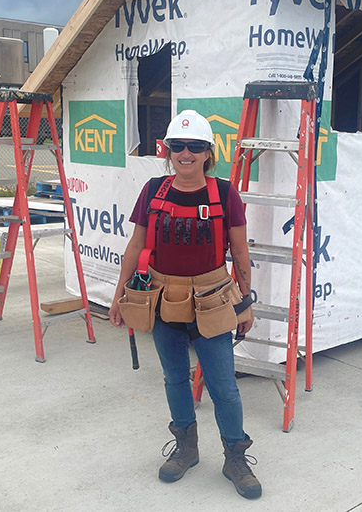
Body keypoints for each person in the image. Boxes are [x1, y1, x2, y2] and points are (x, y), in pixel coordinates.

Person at [109, 109, 261, 499]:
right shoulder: (153, 191)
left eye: (195, 147)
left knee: (224, 385)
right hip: (164, 300)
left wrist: (244, 305)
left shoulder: (225, 193)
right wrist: (119, 295)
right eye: (178, 146)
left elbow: (240, 256)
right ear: (168, 150)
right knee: (175, 378)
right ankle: (187, 447)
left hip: (212, 299)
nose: (186, 153)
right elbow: (135, 247)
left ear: (208, 153)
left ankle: (235, 457)